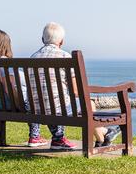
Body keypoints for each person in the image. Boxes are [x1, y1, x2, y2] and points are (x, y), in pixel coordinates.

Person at [30, 22, 120, 150]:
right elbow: (76, 92)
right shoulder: (65, 57)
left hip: (37, 109)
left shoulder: (33, 57)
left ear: (42, 39)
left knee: (74, 103)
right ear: (61, 41)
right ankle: (102, 139)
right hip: (58, 110)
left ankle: (105, 135)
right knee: (89, 103)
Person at [0, 30, 49, 147]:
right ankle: (35, 137)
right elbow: (8, 87)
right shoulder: (4, 62)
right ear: (6, 44)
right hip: (7, 104)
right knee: (33, 101)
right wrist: (19, 104)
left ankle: (36, 136)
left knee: (31, 100)